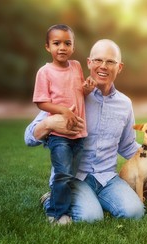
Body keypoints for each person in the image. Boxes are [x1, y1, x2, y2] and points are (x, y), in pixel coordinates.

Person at [25, 39, 147, 224]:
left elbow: (127, 146)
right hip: (76, 177)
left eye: (110, 62)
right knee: (90, 218)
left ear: (120, 67)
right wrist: (49, 123)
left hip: (107, 178)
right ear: (88, 63)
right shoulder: (71, 94)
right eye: (98, 60)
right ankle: (51, 199)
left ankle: (94, 200)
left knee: (135, 213)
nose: (103, 66)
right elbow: (29, 137)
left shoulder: (124, 104)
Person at [32, 24, 95, 225]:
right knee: (62, 175)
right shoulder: (45, 72)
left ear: (73, 47)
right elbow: (41, 101)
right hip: (59, 136)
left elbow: (79, 93)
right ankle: (57, 215)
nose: (62, 47)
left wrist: (86, 89)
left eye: (67, 43)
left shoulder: (76, 66)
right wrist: (63, 111)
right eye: (56, 43)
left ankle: (52, 201)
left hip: (79, 133)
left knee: (68, 176)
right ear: (47, 47)